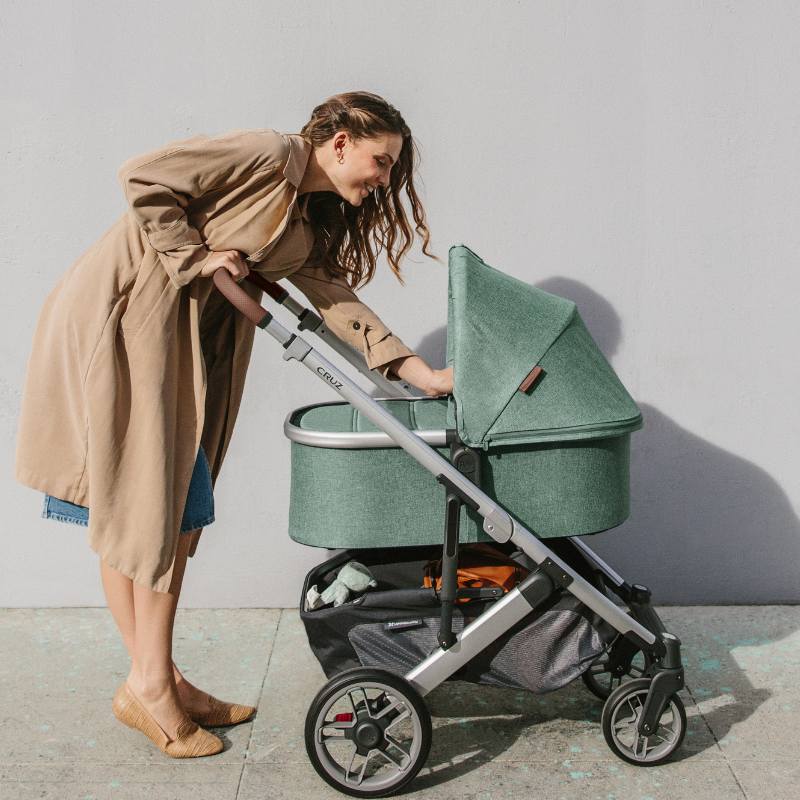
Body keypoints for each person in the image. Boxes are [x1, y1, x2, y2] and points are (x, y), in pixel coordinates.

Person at [14, 91, 453, 758]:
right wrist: (195, 255)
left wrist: (419, 374)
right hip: (126, 323)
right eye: (380, 161)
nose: (383, 179)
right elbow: (142, 176)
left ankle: (154, 679)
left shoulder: (305, 219)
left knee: (161, 508)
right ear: (339, 141)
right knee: (145, 504)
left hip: (180, 345)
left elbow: (333, 296)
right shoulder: (266, 154)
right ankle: (154, 685)